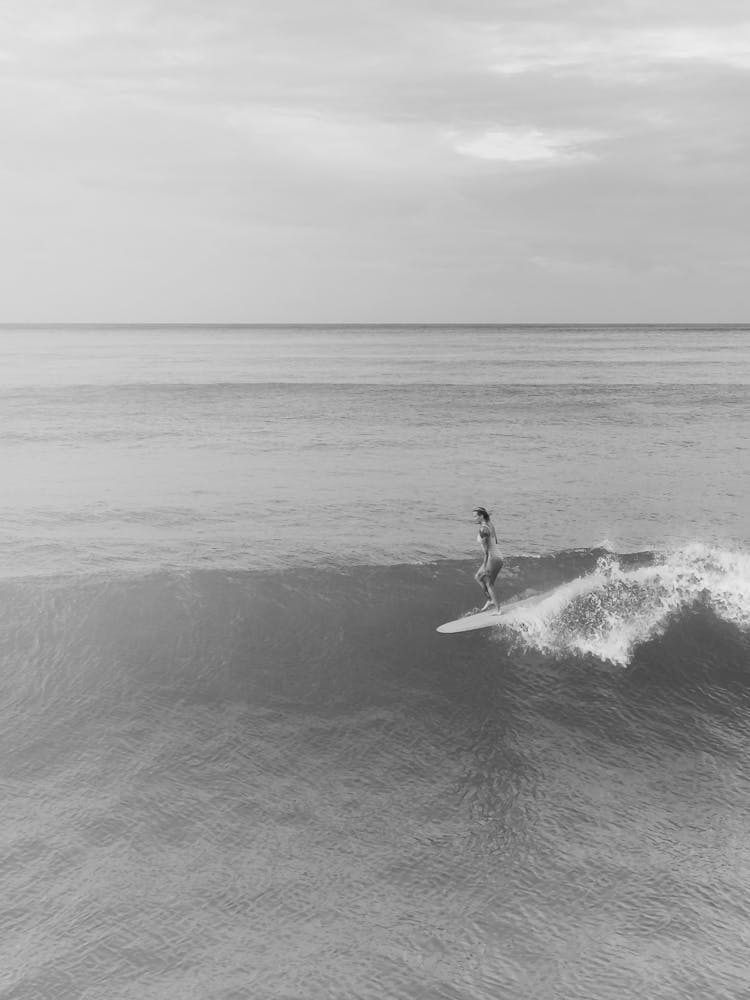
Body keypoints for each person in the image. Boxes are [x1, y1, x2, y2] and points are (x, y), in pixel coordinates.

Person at [473, 506, 503, 611]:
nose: (474, 518)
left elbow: (486, 552)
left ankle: (498, 610)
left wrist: (485, 566)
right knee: (478, 577)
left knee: (489, 583)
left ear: (481, 516)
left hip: (493, 558)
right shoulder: (489, 523)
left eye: (475, 516)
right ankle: (490, 600)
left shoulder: (484, 530)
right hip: (496, 557)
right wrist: (487, 514)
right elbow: (487, 518)